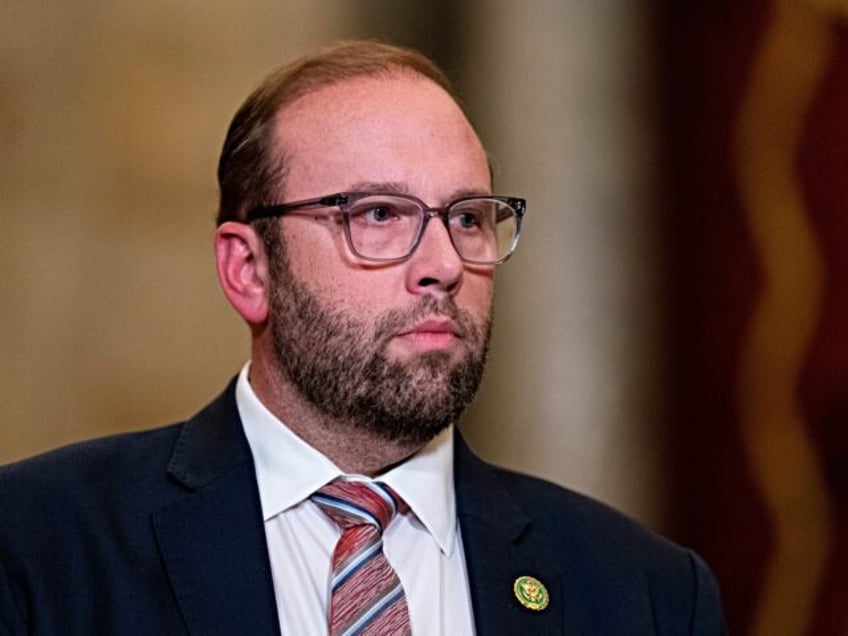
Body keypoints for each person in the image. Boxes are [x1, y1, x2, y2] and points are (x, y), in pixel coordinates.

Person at [0, 41, 726, 635]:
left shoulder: (646, 594)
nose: (443, 265)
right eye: (378, 214)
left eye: (469, 218)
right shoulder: (39, 547)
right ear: (249, 270)